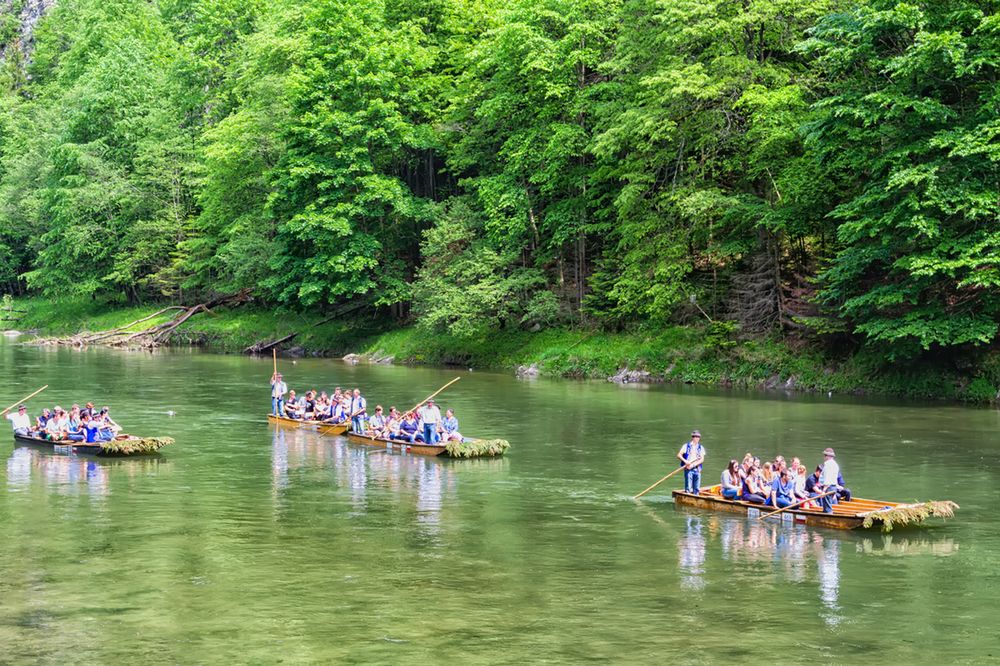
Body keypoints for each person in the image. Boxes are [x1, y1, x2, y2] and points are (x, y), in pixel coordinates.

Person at [676, 430, 705, 495]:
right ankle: (688, 496)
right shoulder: (686, 446)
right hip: (688, 469)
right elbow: (679, 455)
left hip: (697, 469)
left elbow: (702, 459)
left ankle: (696, 496)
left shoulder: (701, 447)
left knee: (697, 488)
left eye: (698, 437)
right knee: (688, 488)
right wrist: (686, 461)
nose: (697, 438)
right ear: (692, 437)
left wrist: (694, 464)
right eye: (695, 437)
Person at [817, 447, 841, 514]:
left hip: (828, 488)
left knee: (827, 507)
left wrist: (823, 491)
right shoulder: (835, 465)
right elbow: (834, 478)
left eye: (825, 455)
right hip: (833, 487)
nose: (824, 457)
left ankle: (828, 518)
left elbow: (828, 479)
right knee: (828, 505)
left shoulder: (828, 465)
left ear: (828, 456)